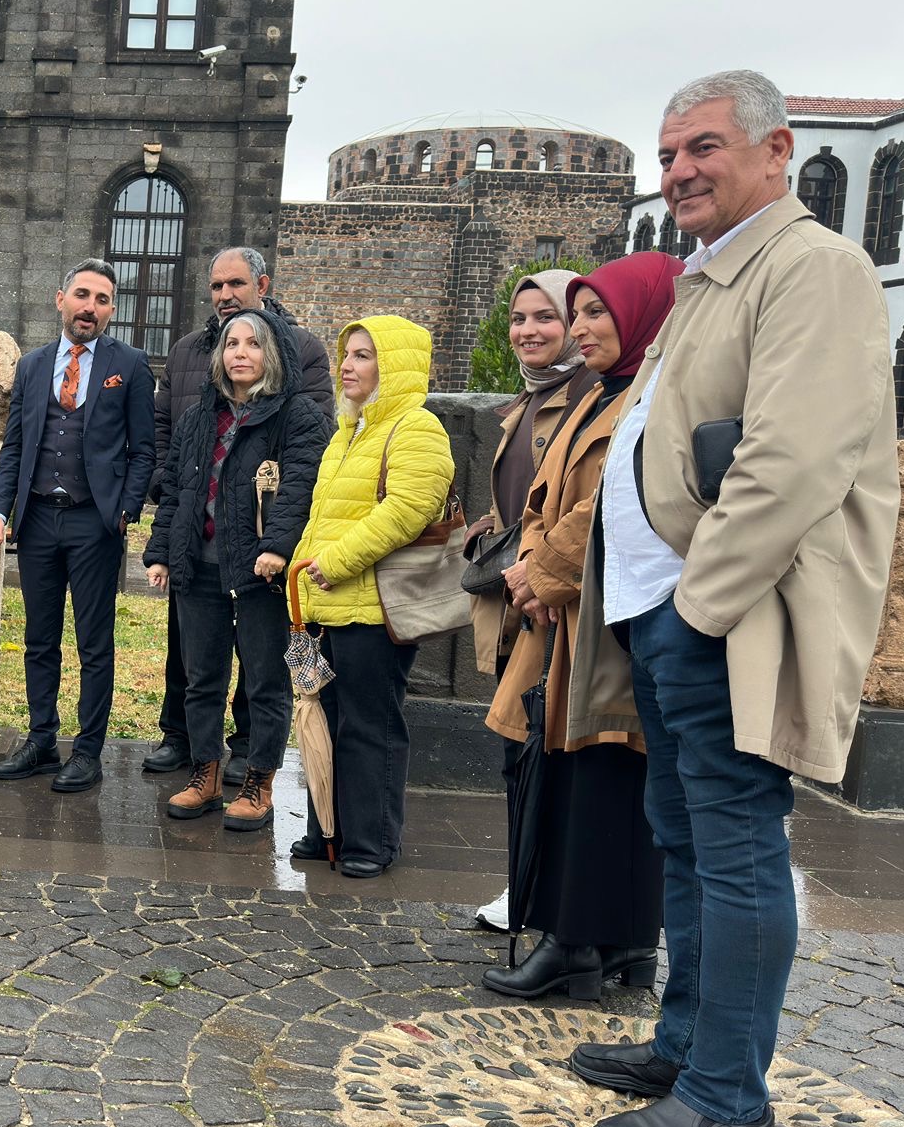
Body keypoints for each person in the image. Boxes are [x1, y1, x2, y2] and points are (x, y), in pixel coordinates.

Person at [566, 71, 900, 1127]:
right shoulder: (712, 280)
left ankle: (727, 1101)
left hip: (721, 612)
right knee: (687, 841)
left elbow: (789, 461)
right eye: (665, 156)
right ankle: (684, 1048)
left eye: (701, 147)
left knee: (737, 846)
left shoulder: (813, 269)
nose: (677, 174)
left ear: (776, 150)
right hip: (668, 609)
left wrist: (692, 606)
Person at [480, 253, 679, 999]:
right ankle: (598, 937)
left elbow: (607, 503)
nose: (586, 327)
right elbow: (543, 494)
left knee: (611, 780)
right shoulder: (603, 395)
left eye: (601, 313)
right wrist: (534, 562)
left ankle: (596, 940)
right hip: (567, 616)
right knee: (577, 775)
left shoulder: (647, 399)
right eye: (584, 312)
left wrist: (545, 571)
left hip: (610, 620)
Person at [145, 245, 333, 783]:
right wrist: (163, 544)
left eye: (237, 285)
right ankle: (199, 769)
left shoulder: (297, 388)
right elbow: (177, 461)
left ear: (262, 287)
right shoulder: (197, 388)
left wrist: (276, 543)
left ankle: (255, 775)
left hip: (257, 558)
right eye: (231, 344)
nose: (225, 295)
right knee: (198, 671)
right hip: (199, 551)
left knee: (263, 676)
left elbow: (302, 475)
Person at [287, 316, 455, 878]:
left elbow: (408, 511)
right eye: (346, 355)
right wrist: (302, 577)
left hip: (374, 610)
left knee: (368, 725)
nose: (347, 366)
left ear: (395, 365)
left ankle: (370, 841)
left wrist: (334, 562)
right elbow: (323, 517)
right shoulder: (349, 430)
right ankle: (327, 831)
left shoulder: (417, 428)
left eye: (363, 355)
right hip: (328, 606)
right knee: (324, 720)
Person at [0, 260, 156, 795]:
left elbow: (144, 450)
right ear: (60, 299)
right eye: (82, 295)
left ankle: (87, 750)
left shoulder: (129, 365)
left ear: (111, 309)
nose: (91, 307)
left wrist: (125, 510)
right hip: (36, 520)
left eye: (102, 299)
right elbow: (15, 445)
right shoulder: (33, 366)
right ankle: (40, 740)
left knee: (94, 642)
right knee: (39, 638)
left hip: (94, 523)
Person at [465, 268, 592, 932]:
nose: (527, 331)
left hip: (555, 601)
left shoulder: (586, 397)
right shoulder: (532, 399)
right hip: (522, 594)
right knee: (523, 751)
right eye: (519, 318)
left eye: (546, 317)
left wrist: (542, 569)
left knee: (539, 748)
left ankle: (536, 894)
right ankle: (527, 885)